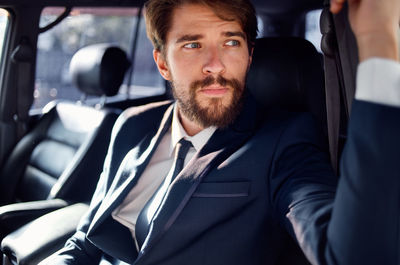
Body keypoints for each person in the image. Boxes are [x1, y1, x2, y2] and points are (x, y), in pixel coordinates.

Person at [41, 0, 400, 264]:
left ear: (248, 55)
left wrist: (379, 44)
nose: (215, 65)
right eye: (193, 44)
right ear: (163, 63)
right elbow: (85, 244)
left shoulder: (283, 141)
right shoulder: (133, 124)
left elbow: (355, 255)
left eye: (231, 42)